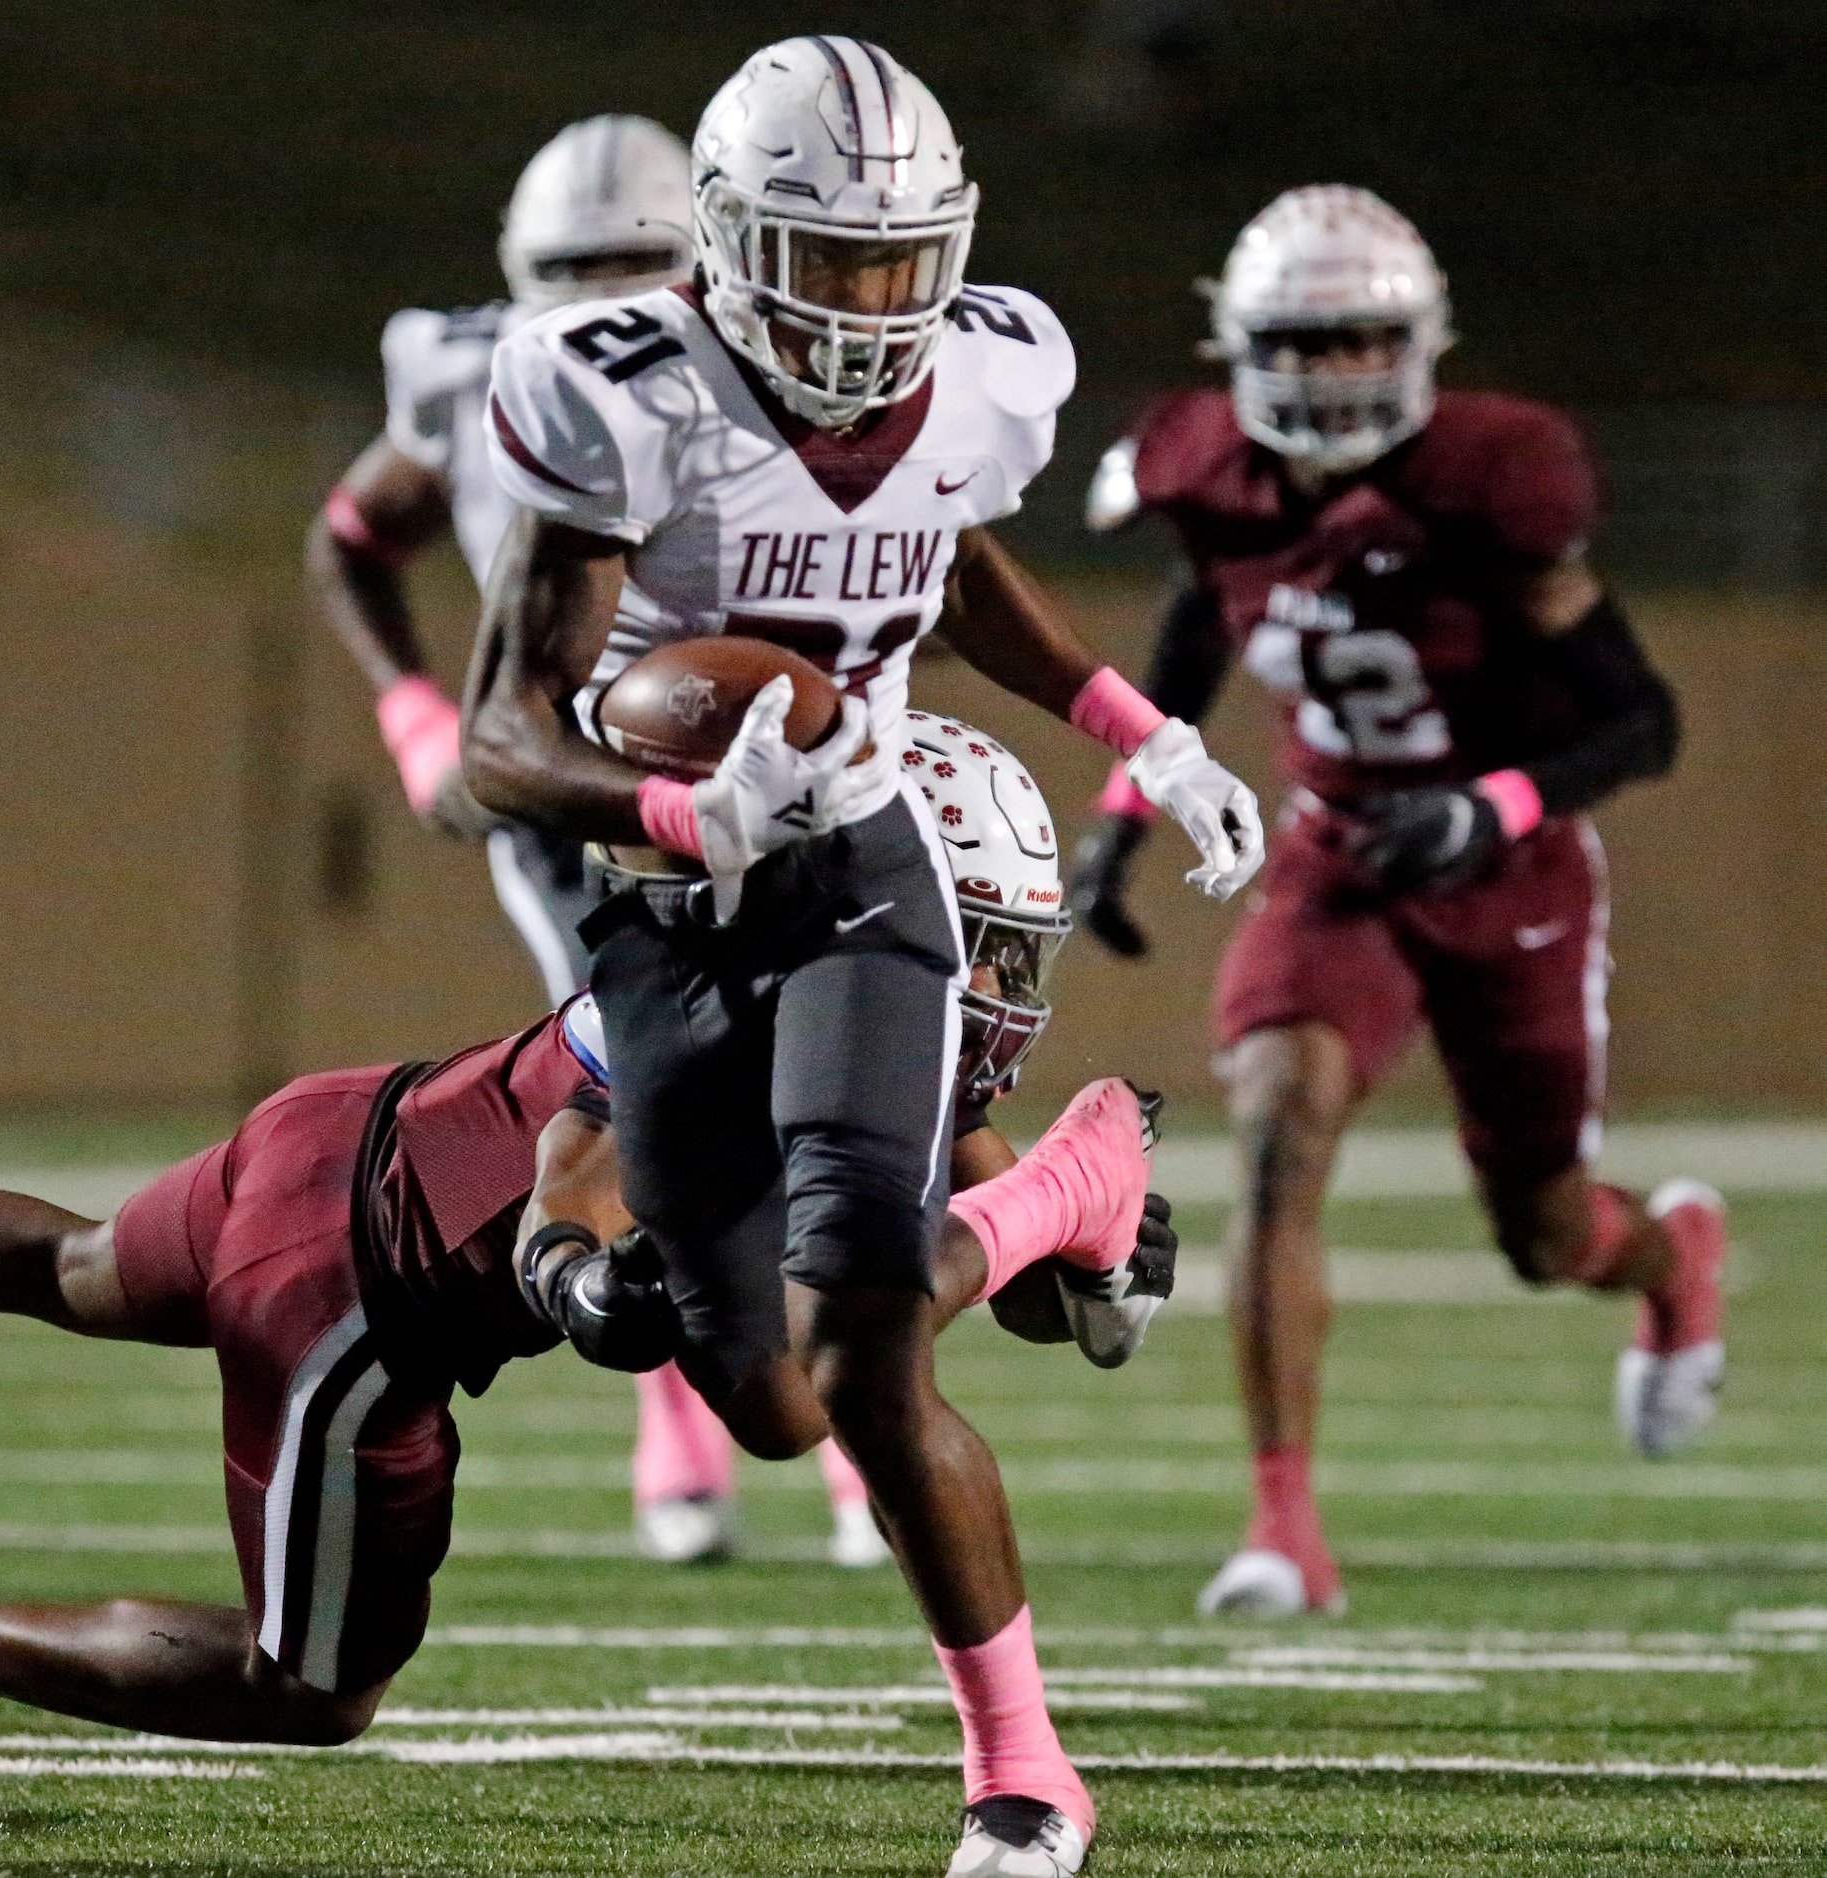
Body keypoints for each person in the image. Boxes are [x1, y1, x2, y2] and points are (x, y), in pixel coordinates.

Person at [0, 721, 1172, 1845]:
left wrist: (1083, 1242)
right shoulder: (721, 1020)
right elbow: (669, 1257)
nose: (990, 990)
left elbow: (951, 1236)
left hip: (348, 1123)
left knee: (72, 1265)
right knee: (312, 1691)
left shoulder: (792, 995)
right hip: (357, 1293)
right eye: (972, 945)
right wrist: (566, 1271)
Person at [461, 36, 1262, 1877]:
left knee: (873, 1342)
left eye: (903, 265)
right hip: (666, 893)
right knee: (767, 1396)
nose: (870, 308)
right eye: (829, 263)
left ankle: (1024, 1774)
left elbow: (951, 561)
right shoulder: (622, 393)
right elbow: (505, 741)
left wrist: (1141, 728)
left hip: (862, 868)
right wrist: (675, 819)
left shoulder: (986, 374)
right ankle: (1068, 1184)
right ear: (730, 242)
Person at [1066, 184, 1717, 1621]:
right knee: (1275, 1130)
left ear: (1414, 345)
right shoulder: (1201, 470)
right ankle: (1280, 1523)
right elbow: (1200, 621)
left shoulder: (1494, 477)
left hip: (1509, 862)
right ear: (1243, 349)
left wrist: (1490, 803)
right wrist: (1126, 802)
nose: (1332, 373)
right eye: (1303, 342)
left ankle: (1673, 1262)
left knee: (1545, 1237)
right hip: (1337, 855)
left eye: (1362, 340)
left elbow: (1640, 719)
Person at [305, 112, 876, 1568]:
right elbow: (351, 537)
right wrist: (420, 720)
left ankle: (844, 1415)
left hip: (756, 769)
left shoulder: (747, 369)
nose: (607, 289)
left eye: (640, 259)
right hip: (576, 800)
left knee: (819, 1084)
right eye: (576, 264)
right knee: (648, 1091)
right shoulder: (468, 370)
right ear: (516, 269)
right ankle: (687, 1423)